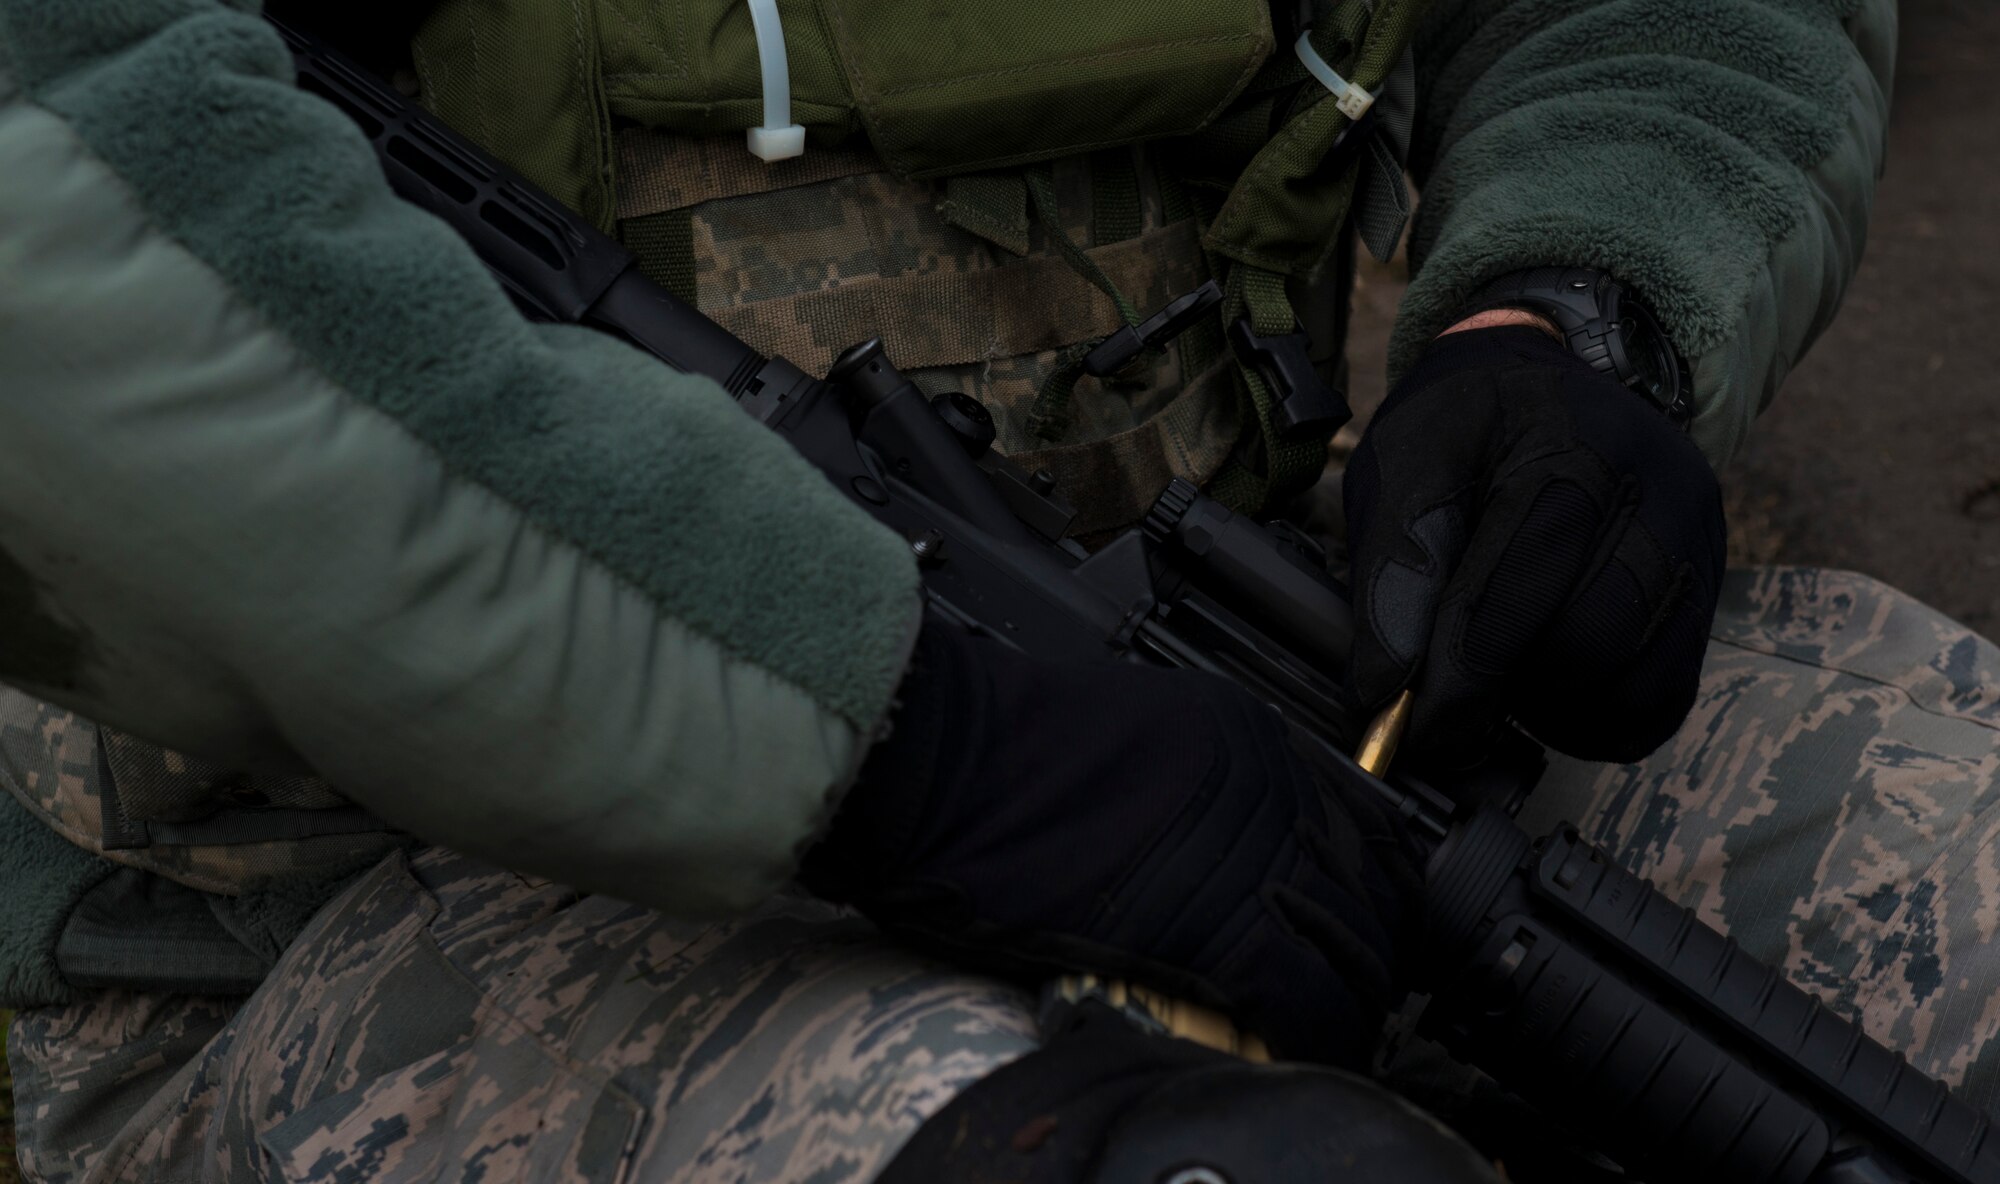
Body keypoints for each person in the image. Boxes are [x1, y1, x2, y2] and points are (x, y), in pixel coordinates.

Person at [1, 0, 1973, 1180]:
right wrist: (924, 747)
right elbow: (70, 289)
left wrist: (1569, 308)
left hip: (1247, 702)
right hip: (390, 897)